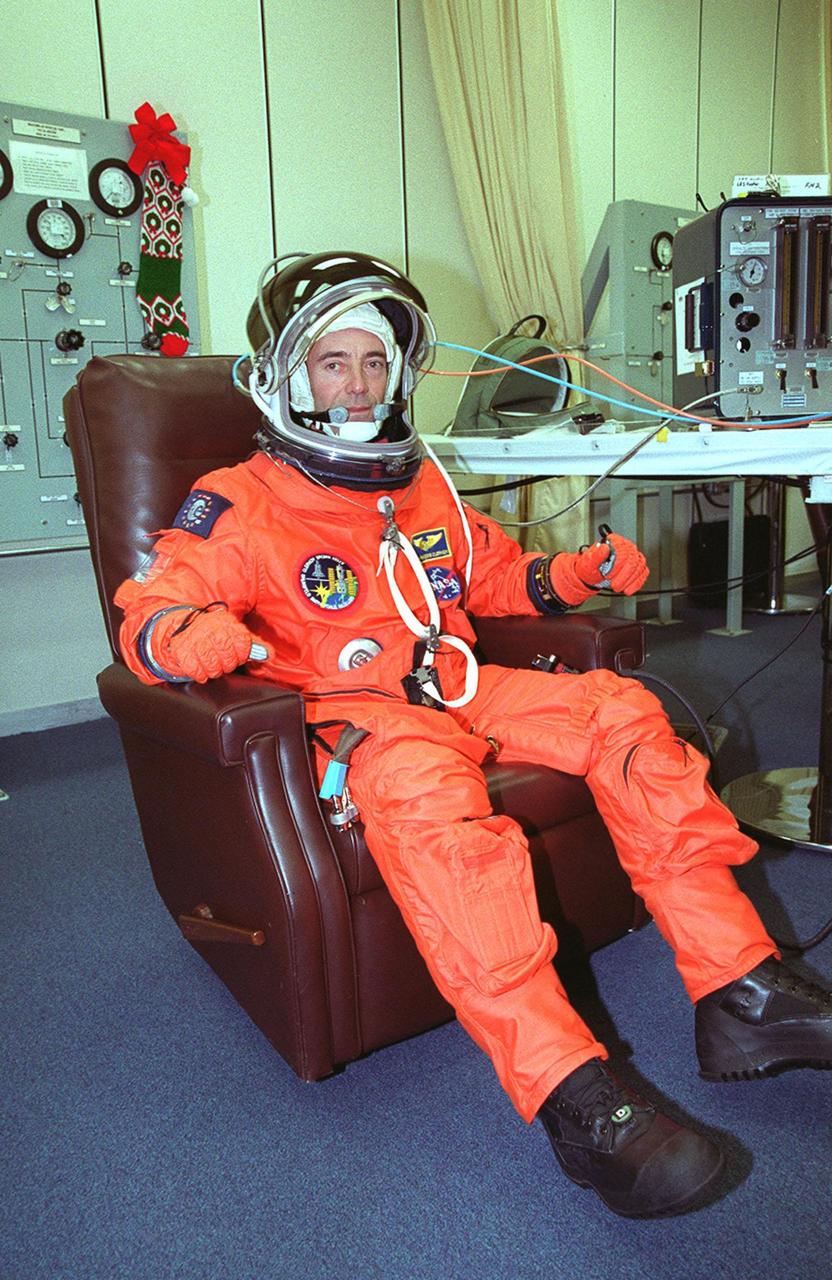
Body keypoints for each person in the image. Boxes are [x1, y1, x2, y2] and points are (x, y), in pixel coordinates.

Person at [114, 251, 832, 1219]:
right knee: (436, 809)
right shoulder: (239, 498)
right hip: (355, 714)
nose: (358, 382)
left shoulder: (420, 487)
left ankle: (742, 989)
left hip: (460, 683)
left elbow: (484, 576)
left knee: (627, 714)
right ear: (286, 374)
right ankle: (576, 1098)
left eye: (375, 361)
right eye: (334, 361)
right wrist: (182, 631)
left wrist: (568, 577)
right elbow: (159, 599)